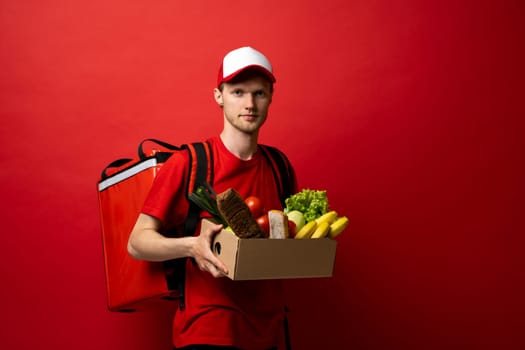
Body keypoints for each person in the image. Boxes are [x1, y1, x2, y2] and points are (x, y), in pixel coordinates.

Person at [128, 46, 298, 350]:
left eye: (259, 93)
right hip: (208, 328)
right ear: (218, 96)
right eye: (237, 92)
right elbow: (137, 242)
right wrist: (192, 245)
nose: (249, 104)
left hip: (270, 329)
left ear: (271, 96)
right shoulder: (190, 162)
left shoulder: (279, 166)